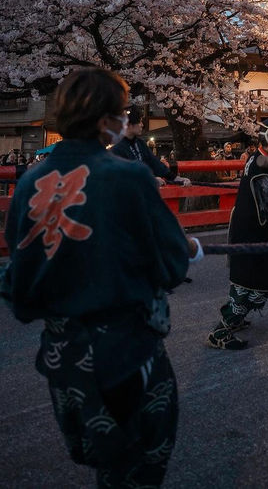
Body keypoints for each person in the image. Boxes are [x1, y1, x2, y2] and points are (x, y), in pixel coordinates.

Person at [0, 68, 202, 487]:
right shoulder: (127, 176)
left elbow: (18, 284)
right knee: (141, 464)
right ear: (106, 119)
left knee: (104, 463)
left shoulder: (29, 182)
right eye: (122, 113)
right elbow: (169, 265)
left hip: (63, 358)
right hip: (127, 352)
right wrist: (189, 252)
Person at [207, 115, 268, 350]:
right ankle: (221, 330)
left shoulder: (256, 159)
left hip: (247, 227)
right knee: (250, 283)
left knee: (249, 281)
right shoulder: (262, 167)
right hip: (254, 231)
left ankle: (232, 320)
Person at [111, 107, 191, 187]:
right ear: (129, 125)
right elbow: (125, 174)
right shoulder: (117, 149)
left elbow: (155, 163)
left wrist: (176, 178)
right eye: (139, 122)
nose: (142, 125)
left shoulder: (140, 144)